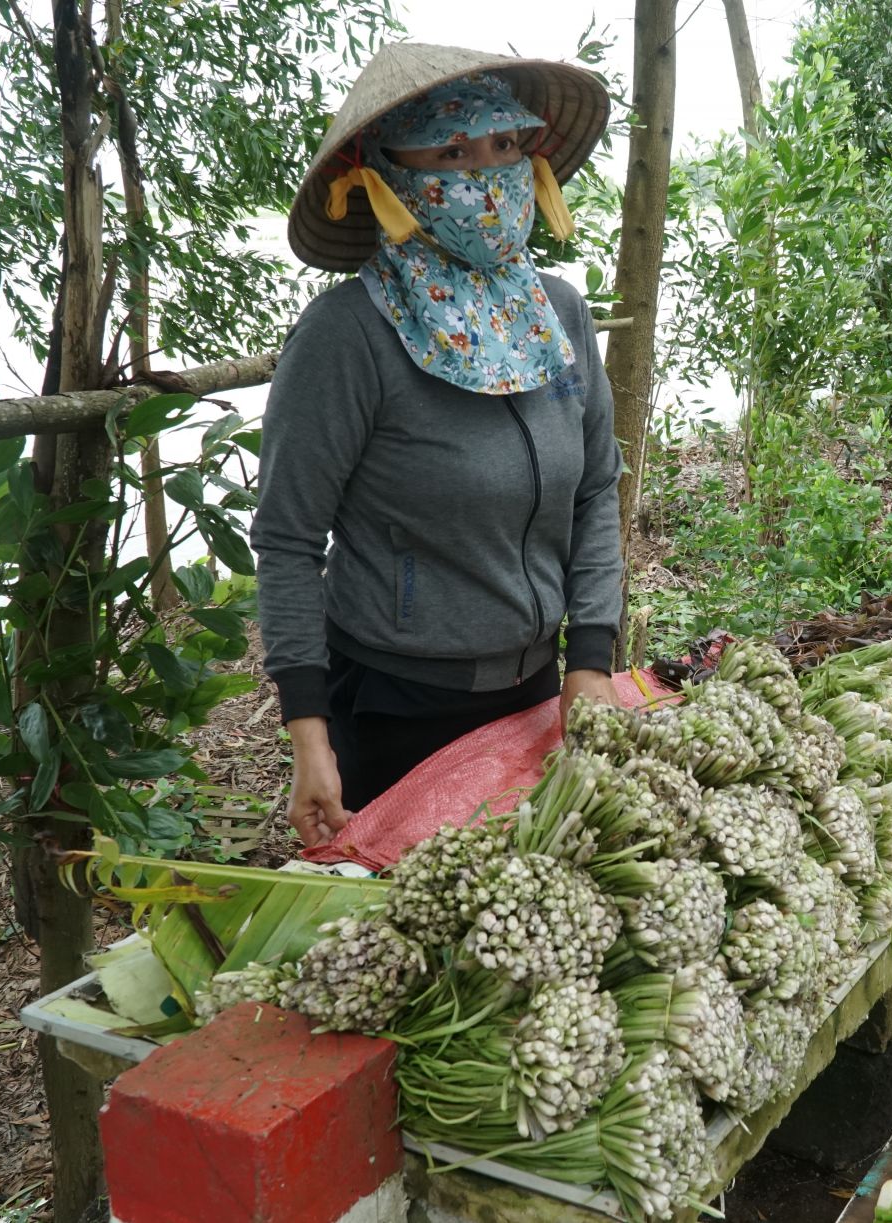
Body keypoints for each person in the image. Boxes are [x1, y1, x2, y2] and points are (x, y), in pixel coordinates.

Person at [253, 44, 623, 847]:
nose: (487, 175)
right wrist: (308, 737)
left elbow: (596, 489)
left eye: (503, 147)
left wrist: (590, 655)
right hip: (394, 708)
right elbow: (286, 539)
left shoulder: (559, 318)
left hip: (538, 693)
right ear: (387, 176)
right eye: (452, 153)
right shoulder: (347, 337)